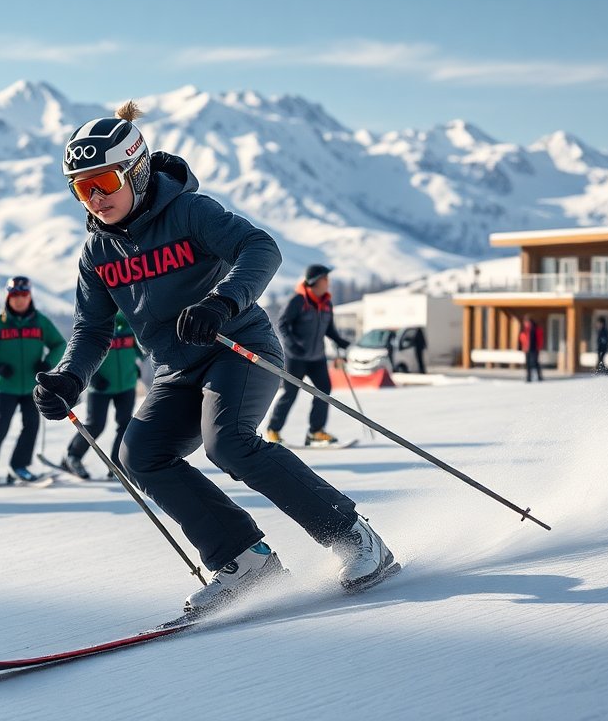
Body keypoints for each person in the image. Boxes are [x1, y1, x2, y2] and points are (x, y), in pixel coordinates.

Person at [33, 102, 394, 614]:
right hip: (175, 368)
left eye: (104, 181)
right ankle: (245, 562)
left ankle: (354, 536)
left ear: (136, 171)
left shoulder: (190, 213)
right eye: (81, 188)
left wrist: (221, 302)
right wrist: (70, 377)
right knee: (140, 454)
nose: (95, 198)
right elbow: (91, 329)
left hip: (237, 347)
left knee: (229, 443)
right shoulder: (97, 254)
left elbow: (260, 248)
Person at [0, 276, 66, 484]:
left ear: (30, 296)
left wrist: (48, 362)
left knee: (31, 426)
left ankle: (19, 467)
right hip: (6, 386)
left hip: (32, 387)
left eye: (24, 294)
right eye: (15, 295)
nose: (19, 299)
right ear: (8, 297)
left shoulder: (41, 322)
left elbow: (60, 344)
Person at [265, 264, 353, 447]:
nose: (328, 282)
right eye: (325, 278)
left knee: (324, 391)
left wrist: (340, 341)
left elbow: (329, 329)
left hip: (317, 358)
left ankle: (315, 432)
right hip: (296, 358)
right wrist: (293, 346)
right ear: (315, 281)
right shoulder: (298, 301)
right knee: (290, 393)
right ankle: (273, 430)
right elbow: (282, 324)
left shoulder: (326, 303)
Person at [59, 311, 143, 478]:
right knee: (96, 425)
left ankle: (117, 465)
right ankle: (72, 457)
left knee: (125, 424)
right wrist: (93, 377)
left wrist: (134, 368)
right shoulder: (95, 325)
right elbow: (81, 354)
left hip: (127, 385)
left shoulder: (130, 326)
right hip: (100, 388)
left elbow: (142, 351)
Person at [519, 315, 544, 382]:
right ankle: (528, 377)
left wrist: (539, 346)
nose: (525, 323)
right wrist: (523, 346)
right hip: (526, 349)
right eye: (525, 322)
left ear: (530, 322)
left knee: (535, 362)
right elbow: (522, 338)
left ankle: (539, 376)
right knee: (528, 363)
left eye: (527, 321)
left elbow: (539, 338)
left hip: (534, 348)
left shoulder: (536, 329)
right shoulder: (523, 330)